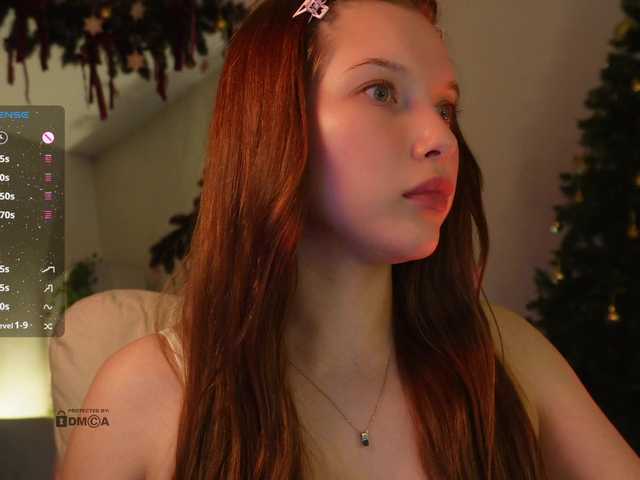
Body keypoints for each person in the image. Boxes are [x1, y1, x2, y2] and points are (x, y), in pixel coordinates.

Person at [59, 0, 640, 479]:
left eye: (446, 107)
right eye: (381, 91)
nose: (441, 137)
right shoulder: (145, 393)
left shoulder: (507, 357)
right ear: (273, 123)